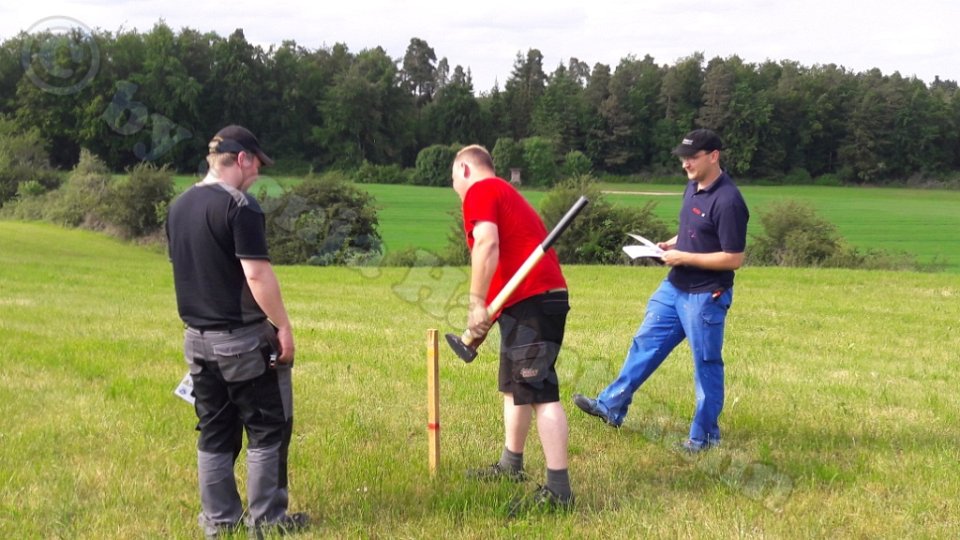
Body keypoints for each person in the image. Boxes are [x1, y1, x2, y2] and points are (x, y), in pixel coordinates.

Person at [166, 125, 309, 538]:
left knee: (214, 430)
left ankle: (219, 521)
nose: (259, 173)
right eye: (258, 163)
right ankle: (267, 522)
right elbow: (256, 274)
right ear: (241, 158)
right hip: (242, 340)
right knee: (267, 428)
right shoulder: (239, 205)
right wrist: (283, 326)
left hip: (196, 340)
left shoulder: (178, 206)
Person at [573, 128, 749, 453]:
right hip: (674, 287)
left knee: (706, 363)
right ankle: (611, 406)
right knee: (644, 344)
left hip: (706, 295)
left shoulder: (729, 201)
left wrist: (684, 257)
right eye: (683, 158)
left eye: (692, 157)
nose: (685, 164)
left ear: (714, 156)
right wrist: (671, 244)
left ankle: (704, 438)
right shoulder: (692, 187)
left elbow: (733, 258)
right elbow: (696, 231)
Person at [451, 144, 575, 510]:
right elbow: (505, 264)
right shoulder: (503, 193)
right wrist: (486, 318)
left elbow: (486, 245)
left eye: (453, 178)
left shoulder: (481, 190)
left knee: (541, 393)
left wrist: (475, 302)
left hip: (534, 302)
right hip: (525, 302)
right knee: (515, 388)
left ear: (465, 169)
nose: (455, 187)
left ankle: (559, 491)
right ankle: (511, 464)